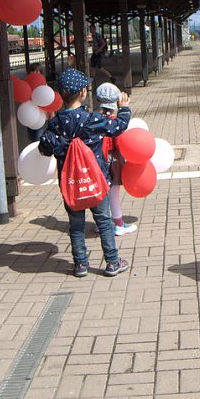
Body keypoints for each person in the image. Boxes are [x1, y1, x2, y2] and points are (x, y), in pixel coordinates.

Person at [38, 68, 131, 277]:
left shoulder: (55, 124)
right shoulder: (91, 120)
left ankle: (80, 264)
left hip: (71, 184)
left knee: (76, 225)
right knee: (104, 222)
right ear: (82, 92)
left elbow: (44, 148)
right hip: (96, 181)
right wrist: (123, 108)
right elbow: (118, 126)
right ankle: (112, 262)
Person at [96, 82, 138, 236]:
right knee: (114, 192)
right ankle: (118, 223)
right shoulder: (114, 122)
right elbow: (120, 143)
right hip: (112, 161)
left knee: (102, 193)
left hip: (97, 161)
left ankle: (102, 223)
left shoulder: (95, 118)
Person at [25, 62, 53, 143]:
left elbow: (49, 99)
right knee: (32, 137)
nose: (35, 73)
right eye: (33, 71)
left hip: (41, 116)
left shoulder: (44, 85)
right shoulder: (26, 85)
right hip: (29, 116)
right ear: (29, 72)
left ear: (41, 73)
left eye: (38, 71)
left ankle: (40, 153)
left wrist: (51, 112)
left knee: (38, 138)